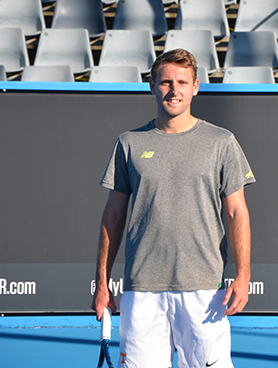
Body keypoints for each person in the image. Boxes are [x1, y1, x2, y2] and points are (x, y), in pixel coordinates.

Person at [92, 49, 254, 368]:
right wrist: (102, 282)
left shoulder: (222, 142)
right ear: (152, 86)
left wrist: (243, 275)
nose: (173, 90)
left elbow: (237, 212)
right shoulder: (128, 143)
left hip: (204, 288)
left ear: (196, 87)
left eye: (182, 82)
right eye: (166, 82)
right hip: (142, 289)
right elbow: (113, 215)